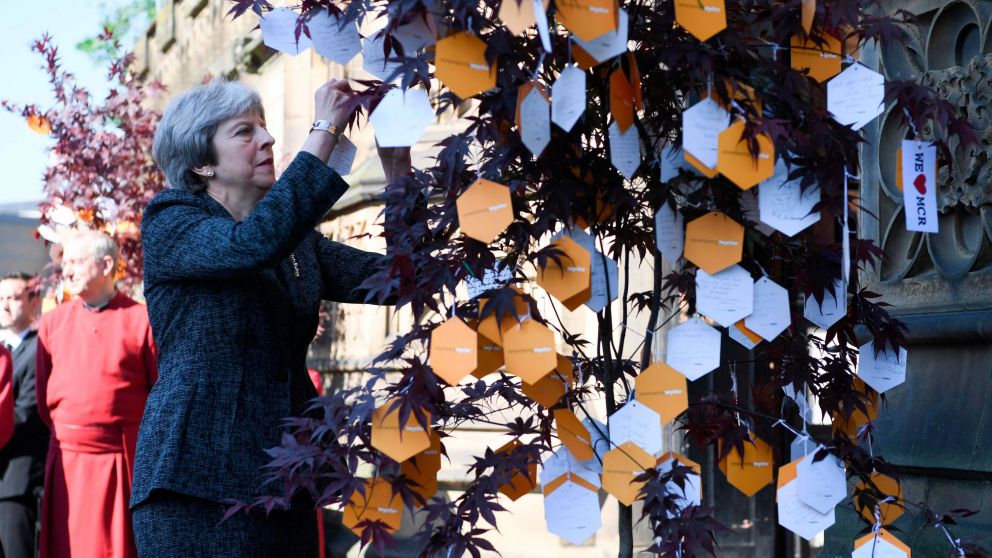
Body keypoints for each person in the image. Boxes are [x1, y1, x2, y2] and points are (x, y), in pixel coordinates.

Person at [131, 78, 398, 557]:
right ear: (202, 162)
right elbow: (251, 245)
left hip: (283, 480)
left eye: (266, 127)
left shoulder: (294, 243)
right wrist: (324, 129)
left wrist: (400, 169)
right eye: (244, 131)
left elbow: (396, 280)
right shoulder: (171, 219)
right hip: (197, 486)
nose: (269, 140)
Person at [35, 231, 158, 558]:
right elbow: (43, 397)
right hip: (67, 455)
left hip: (119, 456)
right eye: (65, 263)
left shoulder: (141, 320)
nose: (67, 271)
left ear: (106, 265)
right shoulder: (51, 323)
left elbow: (157, 394)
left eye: (76, 262)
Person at [0, 272, 49, 558]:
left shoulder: (40, 349)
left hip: (17, 483)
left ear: (34, 303)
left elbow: (27, 412)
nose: (5, 305)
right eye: (1, 298)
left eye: (14, 298)